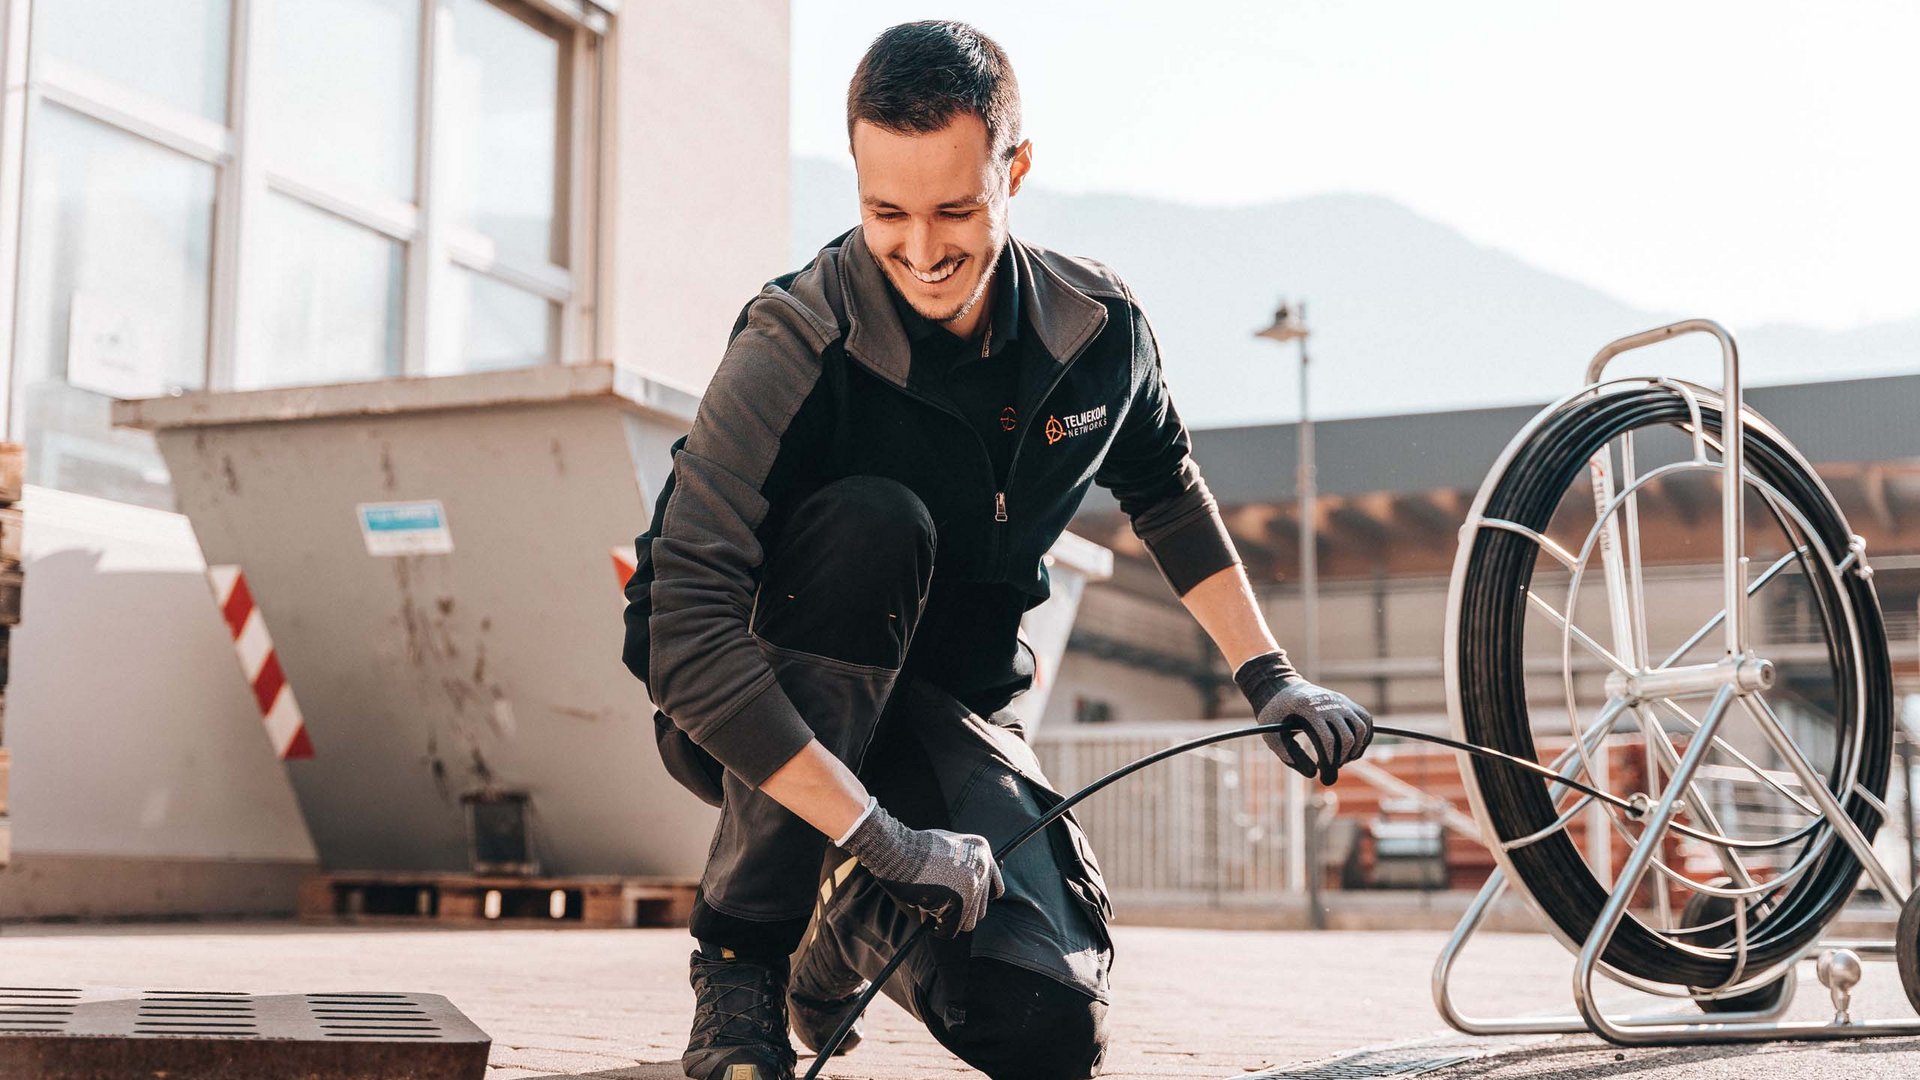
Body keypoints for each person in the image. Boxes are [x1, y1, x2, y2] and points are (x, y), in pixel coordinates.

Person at [621, 21, 1374, 1080]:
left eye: (956, 211)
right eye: (887, 213)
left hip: (949, 714)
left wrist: (1271, 675)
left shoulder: (1095, 332)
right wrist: (883, 840)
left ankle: (838, 936)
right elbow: (679, 626)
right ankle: (744, 964)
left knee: (1046, 1028)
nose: (922, 250)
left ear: (1015, 173)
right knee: (876, 524)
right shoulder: (795, 341)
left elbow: (1165, 489)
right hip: (776, 698)